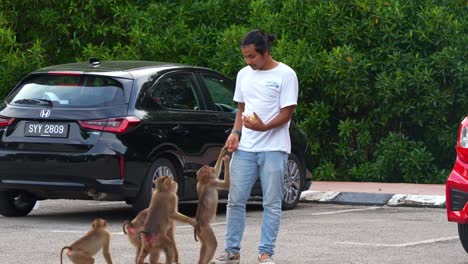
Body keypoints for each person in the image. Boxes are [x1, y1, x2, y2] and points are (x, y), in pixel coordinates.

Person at [211, 30, 299, 264]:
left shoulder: (286, 74)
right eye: (245, 57)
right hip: (246, 148)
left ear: (265, 52)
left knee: (271, 202)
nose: (248, 62)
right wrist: (235, 132)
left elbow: (287, 112)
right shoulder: (243, 74)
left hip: (274, 149)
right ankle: (231, 251)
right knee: (235, 200)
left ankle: (265, 253)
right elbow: (241, 108)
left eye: (252, 57)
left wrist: (264, 127)